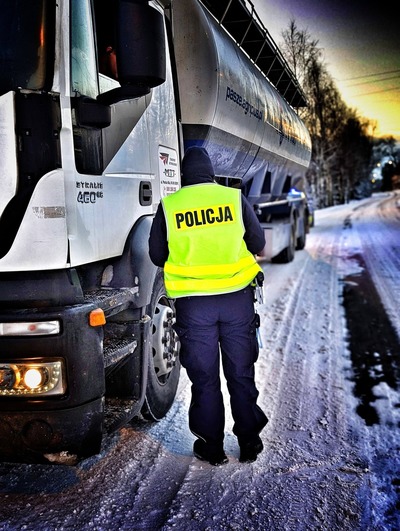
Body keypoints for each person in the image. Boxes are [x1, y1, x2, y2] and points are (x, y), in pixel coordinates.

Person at [148, 146, 268, 465]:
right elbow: (258, 243)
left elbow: (157, 255)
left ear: (183, 176)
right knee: (240, 372)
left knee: (205, 379)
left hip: (194, 305)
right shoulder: (233, 198)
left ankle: (212, 447)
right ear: (212, 174)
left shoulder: (170, 206)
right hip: (236, 301)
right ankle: (249, 442)